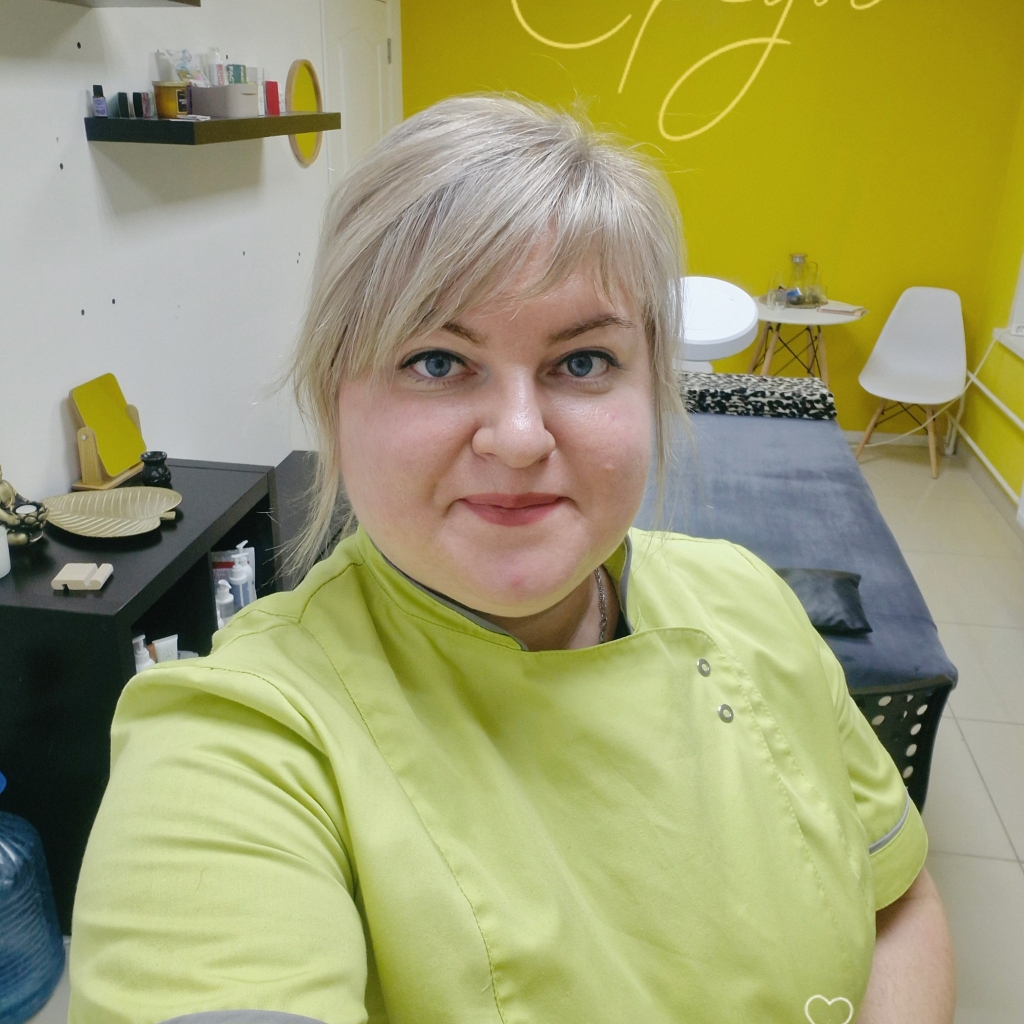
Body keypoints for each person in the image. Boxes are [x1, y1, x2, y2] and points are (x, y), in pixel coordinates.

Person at [69, 96, 955, 1024]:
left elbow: (899, 902)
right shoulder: (240, 736)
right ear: (335, 397)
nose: (521, 437)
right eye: (437, 362)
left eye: (584, 362)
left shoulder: (744, 594)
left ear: (653, 385)